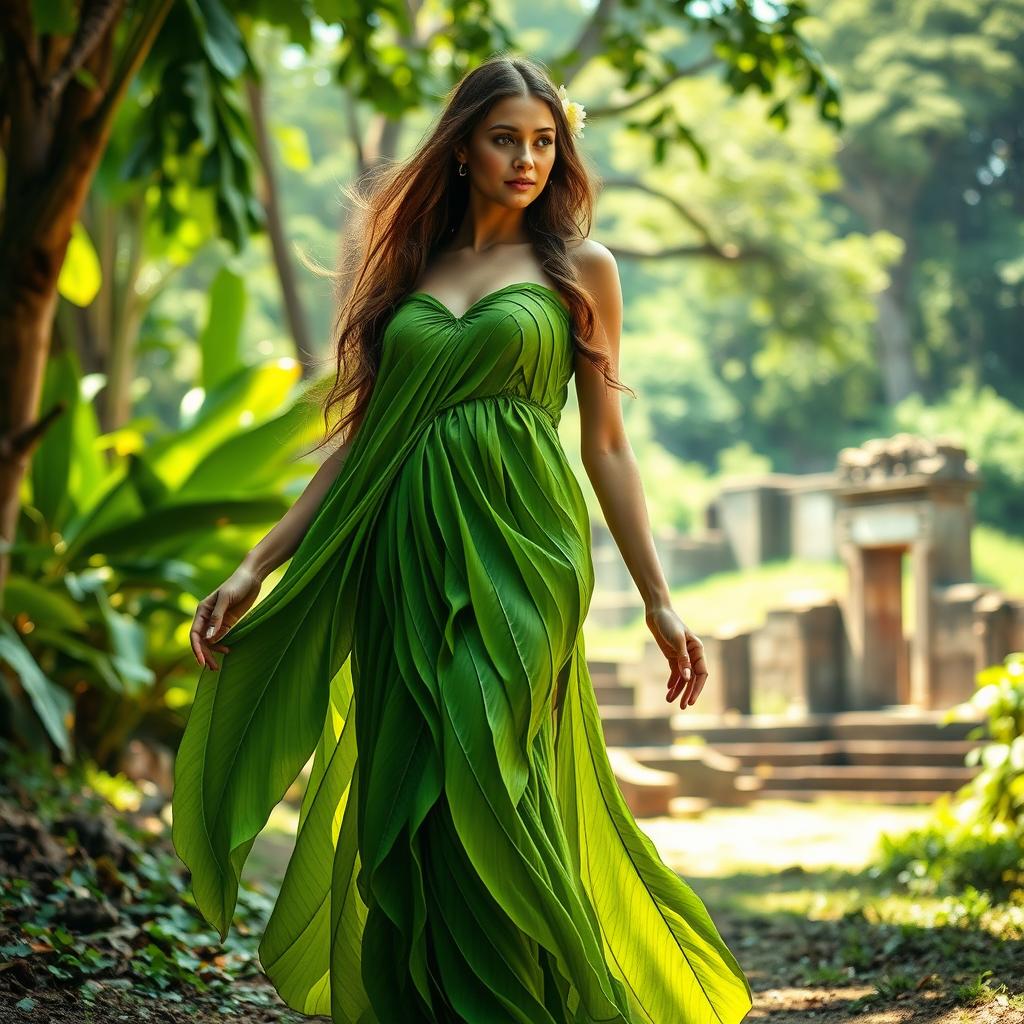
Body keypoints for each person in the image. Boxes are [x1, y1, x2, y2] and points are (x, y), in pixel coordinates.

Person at [171, 52, 753, 1024]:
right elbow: (356, 448)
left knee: (491, 757)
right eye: (504, 139)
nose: (526, 159)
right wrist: (251, 567)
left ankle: (543, 998)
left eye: (543, 141)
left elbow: (607, 446)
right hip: (401, 553)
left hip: (524, 554)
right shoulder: (403, 270)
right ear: (460, 149)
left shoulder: (582, 270)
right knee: (417, 782)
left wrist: (655, 596)